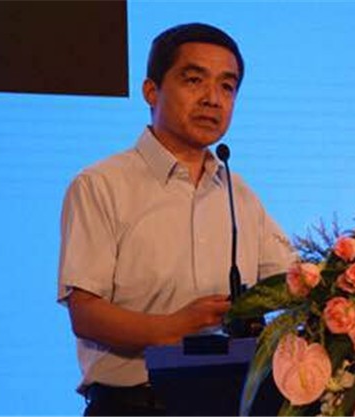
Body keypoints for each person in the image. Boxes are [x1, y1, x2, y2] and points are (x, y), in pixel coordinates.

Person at [57, 23, 294, 416]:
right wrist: (174, 326)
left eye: (227, 86)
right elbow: (86, 314)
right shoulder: (101, 185)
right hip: (135, 406)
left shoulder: (239, 194)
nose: (212, 99)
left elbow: (294, 283)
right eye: (194, 80)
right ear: (151, 91)